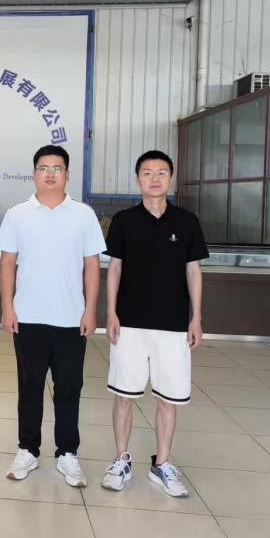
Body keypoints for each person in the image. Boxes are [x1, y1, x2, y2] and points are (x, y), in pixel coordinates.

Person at [0, 145, 106, 486]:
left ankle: (67, 453)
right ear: (34, 174)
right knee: (29, 386)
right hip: (28, 318)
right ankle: (28, 449)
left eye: (57, 168)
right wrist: (8, 308)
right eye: (43, 168)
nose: (50, 174)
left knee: (69, 387)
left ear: (67, 175)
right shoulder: (18, 215)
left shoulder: (83, 215)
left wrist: (90, 310)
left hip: (71, 318)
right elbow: (7, 264)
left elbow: (92, 265)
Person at [102, 149, 208, 498]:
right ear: (138, 180)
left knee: (169, 399)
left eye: (161, 172)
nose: (155, 178)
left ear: (170, 178)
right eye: (147, 173)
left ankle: (162, 464)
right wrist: (111, 312)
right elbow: (114, 268)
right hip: (130, 324)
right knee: (124, 396)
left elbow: (193, 271)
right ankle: (121, 460)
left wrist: (196, 317)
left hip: (173, 325)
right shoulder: (123, 221)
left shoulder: (187, 221)